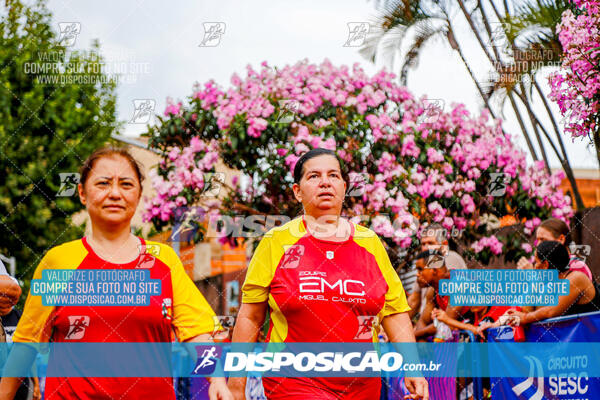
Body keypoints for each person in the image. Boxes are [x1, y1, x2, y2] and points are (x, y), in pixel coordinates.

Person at [0, 147, 232, 400]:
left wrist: (217, 378)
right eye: (103, 183)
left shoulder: (163, 260)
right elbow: (27, 342)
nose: (114, 193)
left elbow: (197, 331)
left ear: (139, 194)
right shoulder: (59, 262)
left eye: (126, 184)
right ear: (82, 193)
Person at [227, 148, 428, 400]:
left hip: (363, 385)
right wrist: (236, 383)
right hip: (293, 380)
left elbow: (394, 311)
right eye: (313, 176)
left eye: (333, 175)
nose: (324, 182)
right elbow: (250, 316)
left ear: (344, 187)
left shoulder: (370, 243)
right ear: (297, 192)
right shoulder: (276, 242)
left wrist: (412, 367)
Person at [507, 241, 600, 325]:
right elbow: (527, 309)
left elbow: (550, 311)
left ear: (545, 265)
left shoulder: (576, 278)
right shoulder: (553, 285)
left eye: (536, 262)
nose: (534, 267)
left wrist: (524, 318)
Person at [407, 224, 466, 320]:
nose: (425, 248)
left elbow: (448, 317)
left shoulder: (450, 258)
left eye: (430, 243)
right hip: (429, 320)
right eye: (423, 244)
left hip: (445, 323)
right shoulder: (425, 263)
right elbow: (414, 300)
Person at [517, 218, 593, 280]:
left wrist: (532, 276)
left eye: (543, 240)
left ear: (561, 239)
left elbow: (552, 297)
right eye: (537, 240)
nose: (538, 244)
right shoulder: (553, 267)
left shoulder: (576, 266)